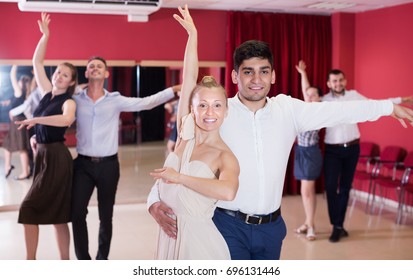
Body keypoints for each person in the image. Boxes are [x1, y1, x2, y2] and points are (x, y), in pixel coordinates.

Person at [147, 13, 413, 260]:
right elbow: (180, 158)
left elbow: (338, 110)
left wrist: (387, 107)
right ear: (234, 75)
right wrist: (153, 202)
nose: (256, 79)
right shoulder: (218, 114)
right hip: (226, 226)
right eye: (248, 71)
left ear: (273, 76)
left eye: (263, 71)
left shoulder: (288, 109)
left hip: (271, 229)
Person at [148, 6, 239, 260]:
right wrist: (193, 36)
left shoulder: (225, 156)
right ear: (193, 109)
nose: (209, 112)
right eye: (202, 105)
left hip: (199, 245)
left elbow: (229, 191)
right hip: (169, 236)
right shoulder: (184, 135)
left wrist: (179, 178)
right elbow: (189, 76)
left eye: (217, 105)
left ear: (226, 111)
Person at [71, 60, 180, 260]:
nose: (95, 68)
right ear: (86, 72)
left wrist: (171, 90)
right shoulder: (76, 99)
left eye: (99, 66)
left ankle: (102, 260)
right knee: (77, 214)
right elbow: (53, 105)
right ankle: (83, 261)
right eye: (92, 66)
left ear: (106, 74)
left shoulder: (115, 99)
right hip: (82, 165)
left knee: (106, 216)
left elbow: (146, 102)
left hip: (108, 166)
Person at [322, 69, 413, 243]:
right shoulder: (324, 100)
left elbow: (376, 104)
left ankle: (338, 227)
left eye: (340, 80)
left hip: (352, 148)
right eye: (334, 81)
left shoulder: (354, 95)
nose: (338, 84)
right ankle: (336, 222)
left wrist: (403, 100)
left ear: (345, 80)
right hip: (332, 150)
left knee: (346, 188)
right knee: (331, 188)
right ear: (329, 84)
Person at [16, 12, 77, 260]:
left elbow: (66, 120)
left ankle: (36, 261)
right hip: (42, 155)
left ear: (71, 82)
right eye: (58, 72)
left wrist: (36, 120)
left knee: (31, 207)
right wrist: (46, 36)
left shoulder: (69, 101)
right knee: (56, 215)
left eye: (64, 75)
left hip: (57, 158)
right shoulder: (46, 93)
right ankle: (50, 262)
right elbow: (37, 62)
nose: (58, 76)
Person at [293, 60, 323, 241]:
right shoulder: (306, 109)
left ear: (320, 98)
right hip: (301, 152)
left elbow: (307, 93)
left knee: (307, 191)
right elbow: (305, 90)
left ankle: (311, 225)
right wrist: (303, 73)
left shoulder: (319, 112)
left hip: (311, 153)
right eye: (308, 95)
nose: (309, 97)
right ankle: (307, 221)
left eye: (314, 95)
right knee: (305, 191)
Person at [2, 65, 31, 180]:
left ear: (21, 83)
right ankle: (8, 166)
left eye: (19, 81)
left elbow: (12, 76)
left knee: (21, 148)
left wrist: (15, 64)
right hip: (18, 121)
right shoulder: (24, 94)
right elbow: (17, 103)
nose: (17, 82)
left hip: (17, 122)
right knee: (8, 145)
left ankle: (25, 172)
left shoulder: (18, 92)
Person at [10, 79, 42, 177]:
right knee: (33, 148)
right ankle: (34, 170)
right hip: (34, 123)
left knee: (32, 149)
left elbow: (26, 106)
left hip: (33, 122)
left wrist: (12, 112)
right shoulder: (34, 93)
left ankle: (33, 171)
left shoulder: (33, 93)